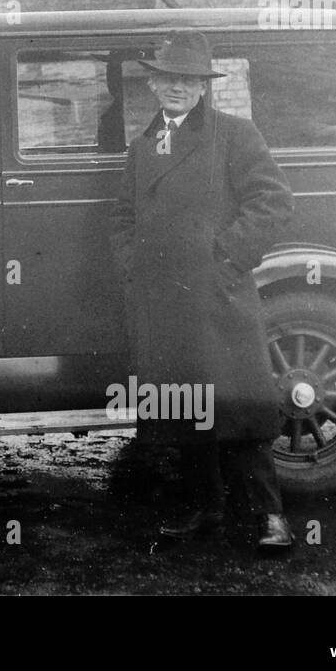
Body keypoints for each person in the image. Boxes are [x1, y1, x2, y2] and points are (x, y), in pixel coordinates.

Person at [109, 29, 297, 551]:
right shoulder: (143, 146)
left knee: (240, 405)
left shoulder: (234, 135)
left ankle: (268, 518)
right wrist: (134, 266)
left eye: (187, 79)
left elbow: (273, 203)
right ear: (153, 85)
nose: (175, 87)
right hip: (164, 299)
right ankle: (205, 509)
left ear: (201, 87)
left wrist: (227, 258)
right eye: (167, 77)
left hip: (216, 295)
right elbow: (123, 217)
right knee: (187, 405)